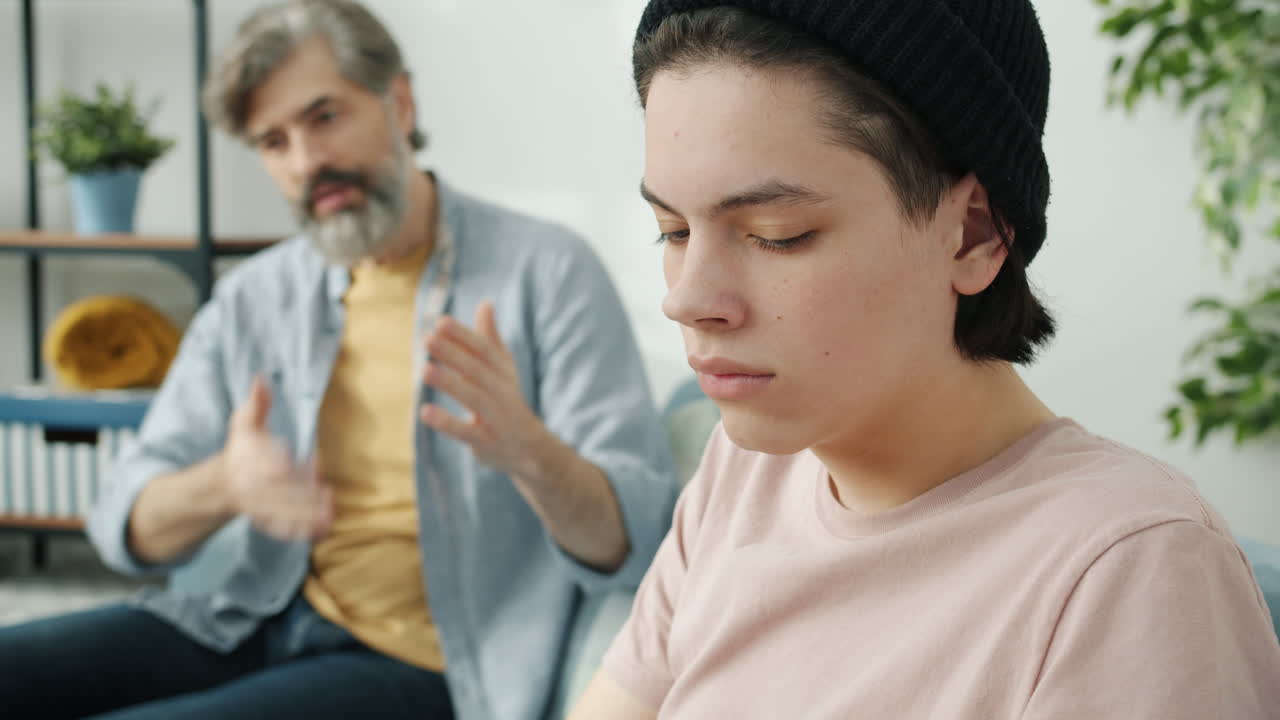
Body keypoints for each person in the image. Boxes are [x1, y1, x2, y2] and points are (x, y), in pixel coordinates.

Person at [571, 2, 1280, 718]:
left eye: (775, 234)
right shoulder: (745, 470)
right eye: (673, 230)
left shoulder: (1132, 572)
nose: (687, 299)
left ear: (973, 233)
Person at [0, 1, 676, 718]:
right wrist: (226, 483)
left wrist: (531, 452)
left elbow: (638, 541)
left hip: (425, 665)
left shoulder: (547, 272)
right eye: (274, 141)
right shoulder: (255, 297)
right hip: (249, 618)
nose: (306, 162)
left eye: (324, 117)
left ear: (400, 102)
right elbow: (120, 525)